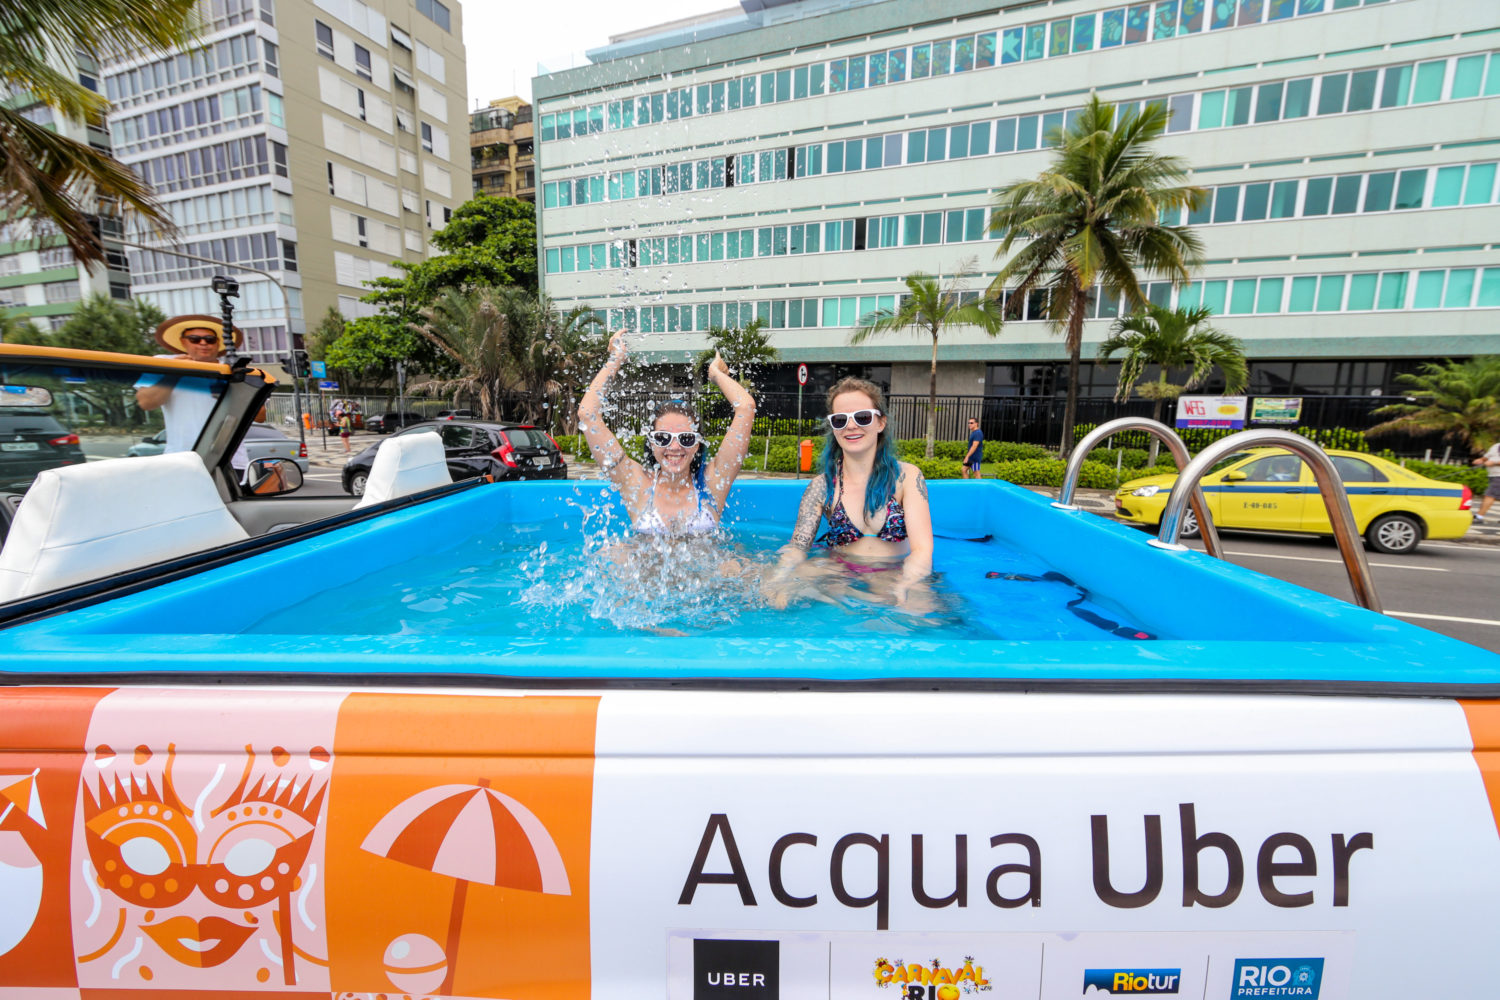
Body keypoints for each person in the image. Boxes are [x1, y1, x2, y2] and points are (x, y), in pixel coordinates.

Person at [765, 376, 934, 608]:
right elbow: (798, 547)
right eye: (840, 419)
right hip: (838, 570)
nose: (851, 426)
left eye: (862, 417)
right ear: (833, 426)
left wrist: (907, 582)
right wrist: (780, 575)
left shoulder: (906, 477)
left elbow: (922, 550)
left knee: (919, 614)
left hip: (892, 571)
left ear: (880, 423)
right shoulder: (821, 486)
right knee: (775, 594)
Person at [577, 332, 756, 536]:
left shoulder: (713, 482)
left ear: (697, 444)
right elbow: (587, 413)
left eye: (686, 439)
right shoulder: (635, 482)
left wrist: (716, 374)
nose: (674, 447)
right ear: (652, 442)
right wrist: (616, 359)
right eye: (663, 438)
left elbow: (746, 407)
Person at [1472, 441, 1500, 523]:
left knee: (1489, 495)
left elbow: (1493, 461)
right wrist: (1480, 460)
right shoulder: (1496, 445)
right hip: (1492, 475)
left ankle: (1479, 517)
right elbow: (1487, 457)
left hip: (1498, 476)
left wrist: (1494, 463)